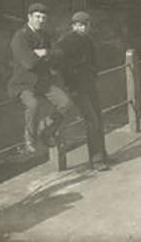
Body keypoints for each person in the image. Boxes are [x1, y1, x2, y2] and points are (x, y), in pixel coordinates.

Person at [8, 3, 73, 155]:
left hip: (43, 81)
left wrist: (43, 52)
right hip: (23, 83)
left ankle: (46, 129)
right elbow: (28, 63)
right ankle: (29, 140)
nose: (40, 20)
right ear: (29, 17)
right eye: (37, 17)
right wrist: (44, 55)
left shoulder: (45, 35)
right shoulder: (20, 37)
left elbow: (58, 54)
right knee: (33, 105)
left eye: (43, 17)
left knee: (66, 103)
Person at [53, 11, 109, 171]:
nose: (81, 28)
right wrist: (70, 81)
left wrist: (93, 73)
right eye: (78, 25)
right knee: (92, 119)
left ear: (89, 26)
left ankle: (102, 154)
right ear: (73, 26)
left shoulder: (88, 40)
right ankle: (97, 160)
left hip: (90, 84)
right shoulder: (65, 42)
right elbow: (58, 62)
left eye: (84, 25)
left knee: (98, 116)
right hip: (76, 87)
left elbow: (93, 61)